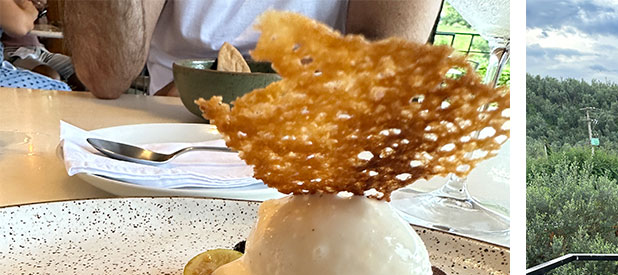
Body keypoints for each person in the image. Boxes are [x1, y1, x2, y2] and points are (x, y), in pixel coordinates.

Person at [64, 0, 443, 99]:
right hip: (167, 141)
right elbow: (105, 75)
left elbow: (385, 65)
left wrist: (225, 87)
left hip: (318, 139)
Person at [0, 0, 70, 91]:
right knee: (59, 88)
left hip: (38, 50)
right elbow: (21, 25)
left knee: (73, 70)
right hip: (15, 53)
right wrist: (27, 4)